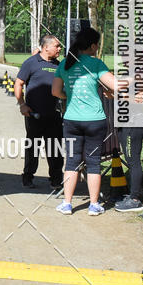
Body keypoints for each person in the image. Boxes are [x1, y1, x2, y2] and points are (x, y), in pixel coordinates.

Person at [51, 27, 126, 216]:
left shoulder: (65, 64)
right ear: (93, 46)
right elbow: (116, 85)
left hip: (71, 120)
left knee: (72, 162)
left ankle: (67, 203)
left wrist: (68, 96)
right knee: (93, 163)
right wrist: (133, 80)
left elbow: (55, 92)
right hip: (95, 120)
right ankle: (94, 205)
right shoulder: (95, 64)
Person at [14, 35, 64, 189]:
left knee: (55, 148)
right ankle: (28, 177)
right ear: (46, 47)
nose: (59, 49)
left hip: (54, 115)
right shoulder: (31, 62)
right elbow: (19, 83)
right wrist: (22, 104)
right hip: (33, 114)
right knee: (33, 147)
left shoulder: (59, 65)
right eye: (57, 46)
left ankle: (56, 179)